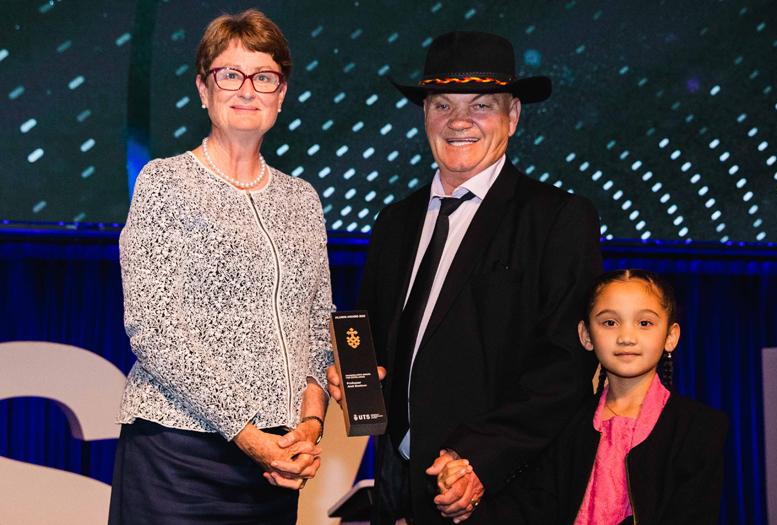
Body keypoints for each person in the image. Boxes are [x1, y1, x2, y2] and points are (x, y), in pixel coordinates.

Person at [328, 31, 603, 524]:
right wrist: (355, 375)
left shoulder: (558, 218)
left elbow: (564, 368)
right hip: (397, 493)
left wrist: (479, 459)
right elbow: (373, 343)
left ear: (513, 116)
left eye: (481, 105)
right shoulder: (394, 223)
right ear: (425, 116)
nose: (459, 122)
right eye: (441, 105)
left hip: (500, 494)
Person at [109, 10, 333, 525]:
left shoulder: (302, 199)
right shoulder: (164, 184)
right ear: (204, 89)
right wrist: (251, 437)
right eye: (229, 74)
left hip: (277, 465)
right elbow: (153, 329)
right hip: (178, 458)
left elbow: (320, 325)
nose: (247, 90)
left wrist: (309, 429)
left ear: (281, 93)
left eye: (265, 77)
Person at [534, 269, 728, 524]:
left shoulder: (701, 428)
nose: (626, 338)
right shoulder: (564, 423)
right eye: (610, 323)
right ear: (586, 335)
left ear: (671, 336)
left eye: (644, 323)